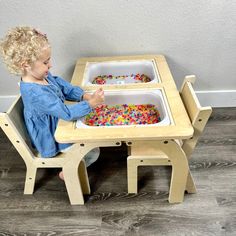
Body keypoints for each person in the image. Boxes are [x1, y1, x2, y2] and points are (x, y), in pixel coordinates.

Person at [0, 26, 104, 179]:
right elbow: (66, 113)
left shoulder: (39, 76)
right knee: (93, 151)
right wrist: (90, 104)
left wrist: (83, 95)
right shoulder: (36, 93)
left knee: (91, 132)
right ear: (25, 65)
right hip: (52, 137)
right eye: (45, 62)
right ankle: (67, 172)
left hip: (58, 123)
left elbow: (60, 85)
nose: (50, 65)